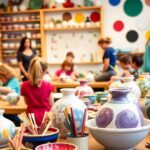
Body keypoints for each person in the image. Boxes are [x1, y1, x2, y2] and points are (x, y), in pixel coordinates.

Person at [21, 57, 54, 126]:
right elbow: (51, 104)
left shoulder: (24, 85)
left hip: (31, 121)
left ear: (31, 69)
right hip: (46, 120)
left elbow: (26, 102)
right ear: (44, 71)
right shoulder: (48, 86)